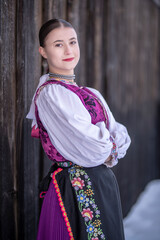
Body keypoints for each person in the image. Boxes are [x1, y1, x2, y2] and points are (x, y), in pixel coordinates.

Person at [26, 18, 131, 240]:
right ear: (43, 51)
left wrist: (108, 143)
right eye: (58, 44)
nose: (68, 50)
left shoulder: (91, 93)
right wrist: (108, 144)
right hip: (74, 190)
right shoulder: (50, 94)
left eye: (72, 42)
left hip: (103, 186)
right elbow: (92, 146)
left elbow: (120, 134)